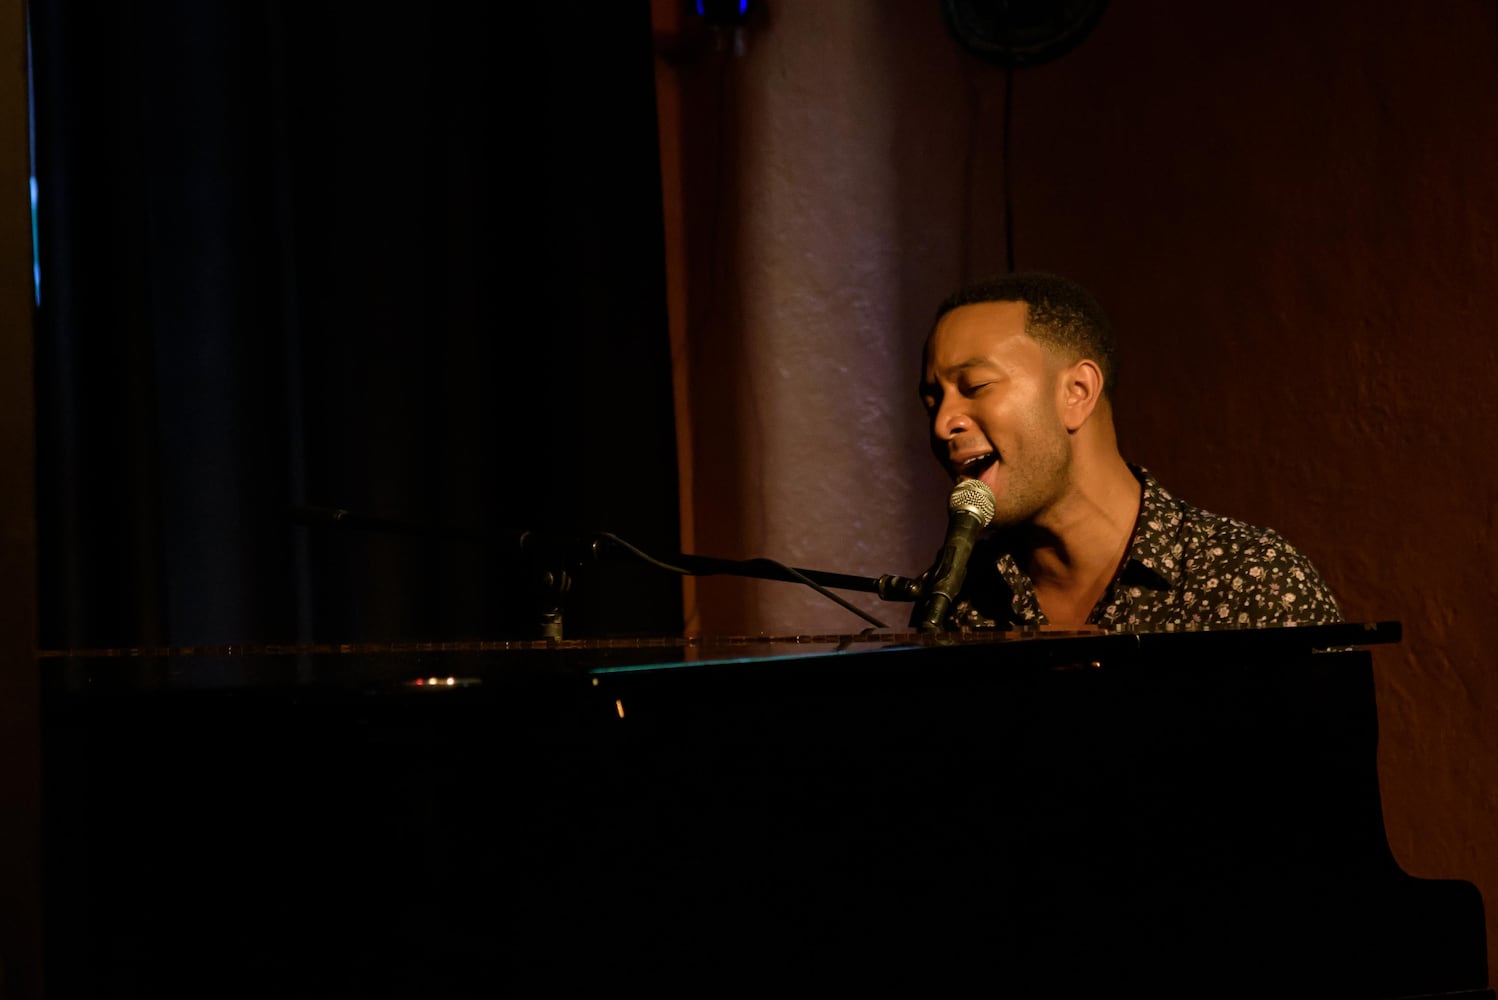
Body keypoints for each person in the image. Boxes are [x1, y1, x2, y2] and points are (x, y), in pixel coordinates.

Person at [916, 271, 1341, 631]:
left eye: (975, 387)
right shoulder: (958, 598)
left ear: (1077, 392)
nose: (942, 423)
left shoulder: (1251, 583)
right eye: (933, 399)